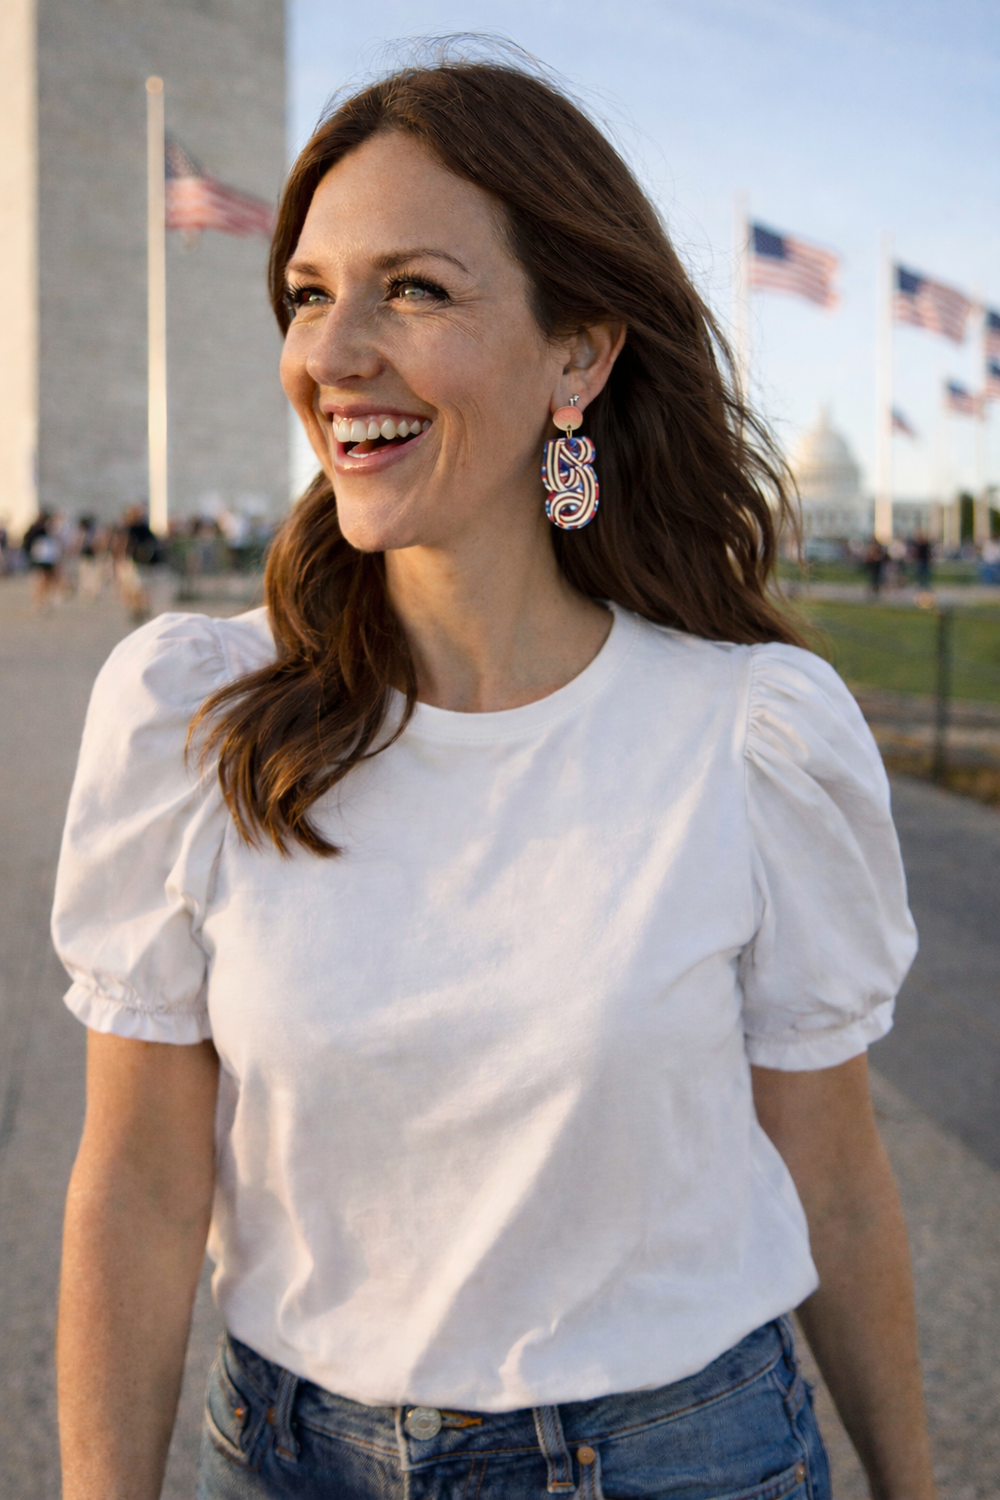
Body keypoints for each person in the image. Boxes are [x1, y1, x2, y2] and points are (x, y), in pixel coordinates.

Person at [53, 56, 935, 1500]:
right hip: (287, 1462)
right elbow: (141, 1185)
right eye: (311, 293)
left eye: (414, 290)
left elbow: (831, 1174)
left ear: (577, 357)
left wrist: (915, 1484)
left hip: (682, 1463)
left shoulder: (752, 736)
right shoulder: (192, 718)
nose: (334, 355)